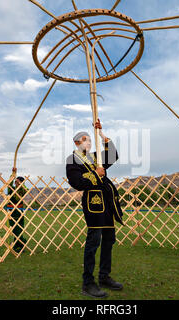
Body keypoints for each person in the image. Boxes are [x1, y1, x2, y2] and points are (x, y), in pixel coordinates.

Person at [66, 119, 124, 298]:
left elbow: (113, 156)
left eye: (90, 139)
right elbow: (76, 182)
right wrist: (95, 174)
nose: (88, 142)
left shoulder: (95, 156)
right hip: (93, 204)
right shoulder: (72, 159)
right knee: (94, 242)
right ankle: (88, 283)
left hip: (107, 203)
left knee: (109, 240)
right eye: (85, 139)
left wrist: (102, 136)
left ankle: (104, 277)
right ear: (77, 143)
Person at [7, 169, 29, 253]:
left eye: (18, 182)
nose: (16, 183)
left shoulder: (22, 190)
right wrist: (13, 174)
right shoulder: (11, 189)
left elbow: (26, 189)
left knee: (19, 229)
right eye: (15, 182)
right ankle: (22, 243)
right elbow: (9, 183)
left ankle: (18, 245)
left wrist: (21, 184)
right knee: (14, 230)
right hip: (11, 212)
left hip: (19, 212)